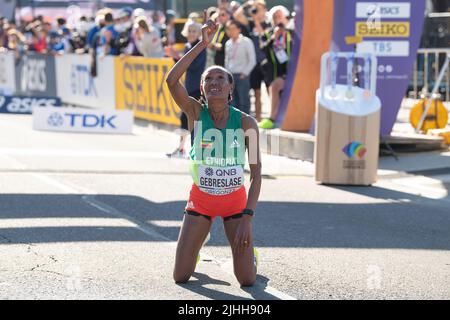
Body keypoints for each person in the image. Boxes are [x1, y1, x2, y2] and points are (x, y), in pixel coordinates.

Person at [166, 16, 262, 286]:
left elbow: (256, 173)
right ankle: (194, 252)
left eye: (222, 78)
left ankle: (250, 254)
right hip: (201, 201)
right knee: (181, 276)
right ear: (202, 88)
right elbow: (172, 80)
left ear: (231, 88)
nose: (215, 82)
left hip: (235, 203)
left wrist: (247, 218)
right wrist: (201, 44)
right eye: (209, 78)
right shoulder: (195, 112)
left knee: (246, 280)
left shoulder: (246, 122)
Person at [167, 19, 206, 158]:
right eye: (189, 30)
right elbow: (181, 67)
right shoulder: (188, 46)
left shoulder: (200, 47)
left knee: (195, 119)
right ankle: (181, 148)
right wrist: (175, 58)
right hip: (188, 86)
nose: (191, 33)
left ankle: (194, 149)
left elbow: (195, 66)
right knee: (184, 118)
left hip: (197, 88)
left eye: (194, 31)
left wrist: (177, 57)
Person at [234, 0, 271, 121]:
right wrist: (248, 5)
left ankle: (272, 117)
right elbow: (237, 16)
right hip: (254, 64)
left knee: (270, 91)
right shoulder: (250, 22)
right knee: (257, 92)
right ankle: (259, 119)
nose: (256, 11)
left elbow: (263, 34)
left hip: (267, 62)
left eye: (258, 8)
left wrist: (257, 20)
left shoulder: (269, 22)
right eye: (255, 9)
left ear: (264, 9)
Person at [258, 5, 293, 129]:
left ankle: (272, 118)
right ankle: (276, 118)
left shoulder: (292, 33)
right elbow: (263, 49)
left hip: (290, 71)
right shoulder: (267, 34)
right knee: (273, 91)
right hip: (273, 71)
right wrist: (274, 37)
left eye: (280, 16)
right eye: (275, 17)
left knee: (276, 87)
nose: (277, 19)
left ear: (286, 18)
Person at [224, 20, 256, 115]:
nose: (231, 31)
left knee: (244, 101)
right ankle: (235, 124)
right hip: (231, 76)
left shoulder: (246, 42)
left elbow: (252, 60)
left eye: (233, 29)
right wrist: (227, 75)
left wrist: (244, 73)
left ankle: (245, 123)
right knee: (232, 101)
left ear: (239, 30)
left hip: (242, 76)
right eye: (229, 29)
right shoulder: (228, 43)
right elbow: (227, 60)